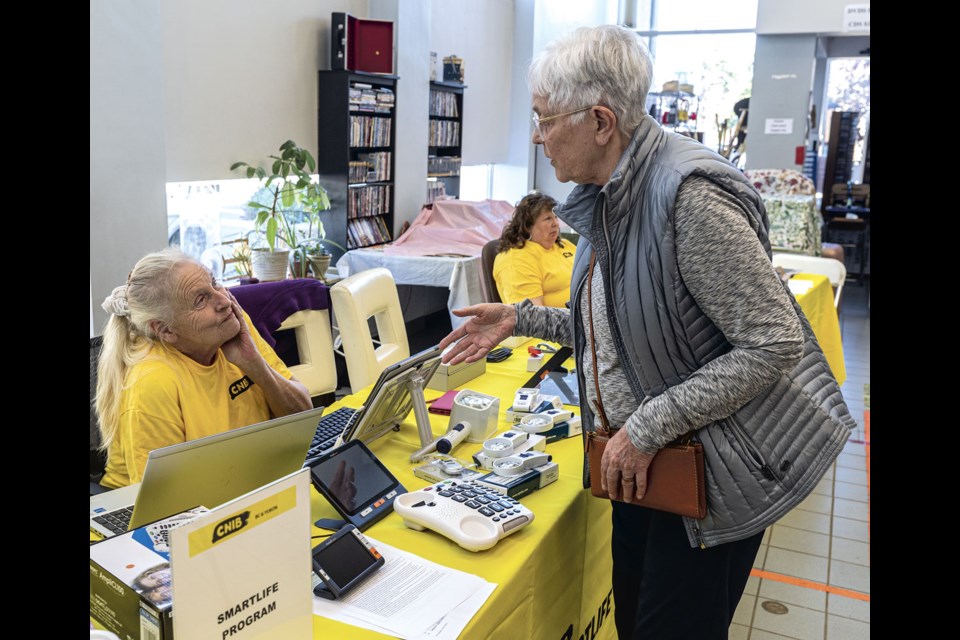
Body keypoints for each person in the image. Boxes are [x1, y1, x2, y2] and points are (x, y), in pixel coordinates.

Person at [439, 25, 856, 640]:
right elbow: (627, 330)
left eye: (544, 119)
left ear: (601, 121)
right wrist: (521, 317)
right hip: (647, 464)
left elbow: (773, 341)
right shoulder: (607, 197)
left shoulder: (686, 200)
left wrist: (646, 426)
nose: (537, 136)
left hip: (710, 476)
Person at [95, 248, 312, 489]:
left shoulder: (233, 326)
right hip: (137, 514)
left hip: (238, 481)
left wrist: (254, 364)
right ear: (166, 330)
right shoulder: (152, 381)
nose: (224, 301)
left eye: (214, 283)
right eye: (200, 300)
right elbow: (164, 505)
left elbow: (303, 417)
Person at [492, 192, 576, 307]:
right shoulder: (515, 260)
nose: (556, 223)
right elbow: (533, 318)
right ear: (528, 227)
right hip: (564, 323)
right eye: (548, 219)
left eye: (555, 217)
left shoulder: (565, 245)